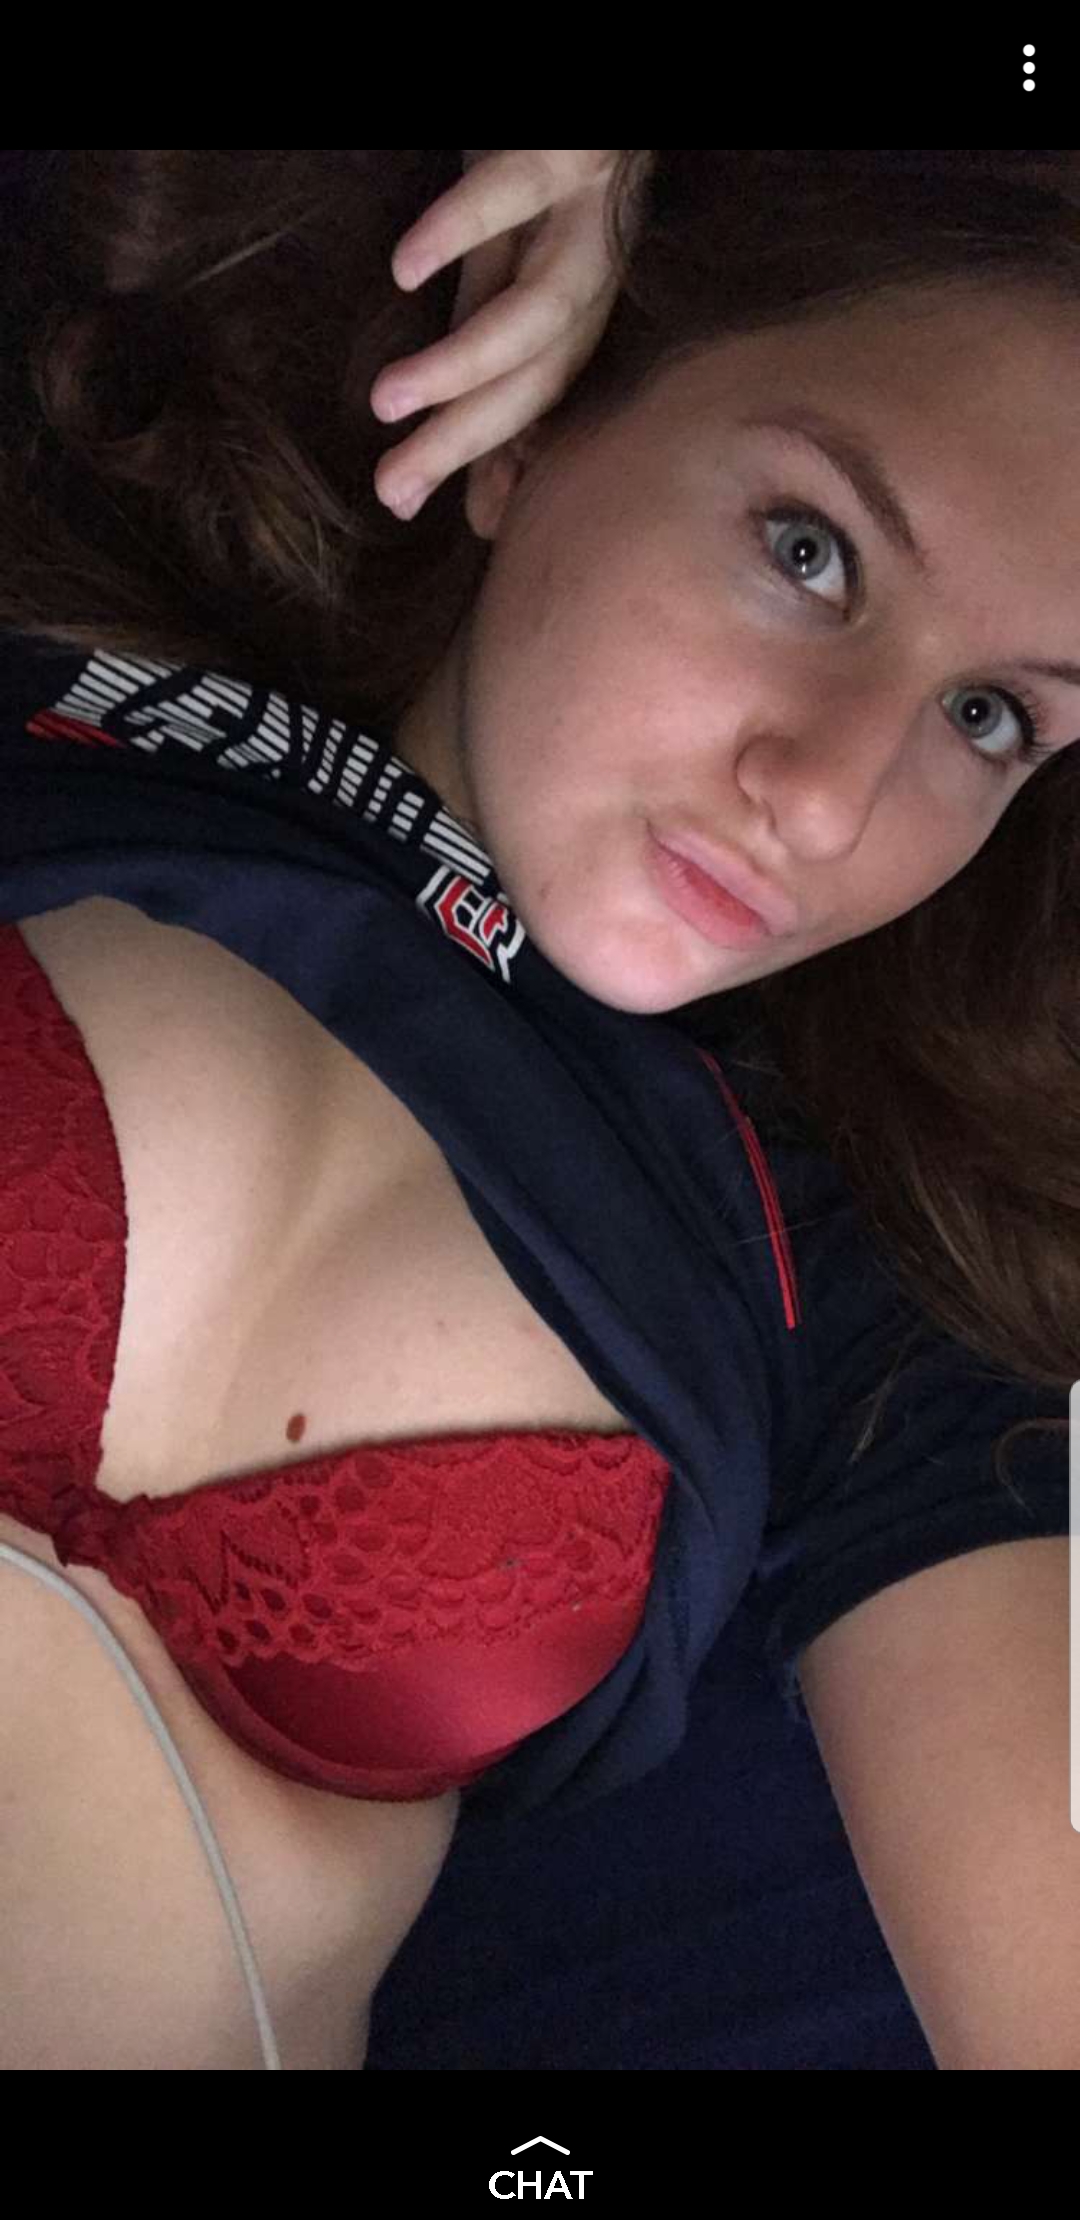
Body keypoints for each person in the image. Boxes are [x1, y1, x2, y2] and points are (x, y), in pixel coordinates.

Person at [0, 149, 1074, 2073]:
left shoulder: (862, 1278)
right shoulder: (74, 662)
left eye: (991, 716)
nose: (829, 797)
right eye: (811, 551)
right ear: (538, 412)